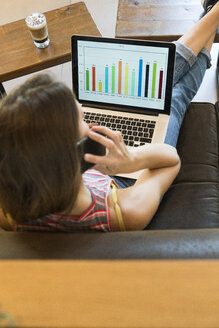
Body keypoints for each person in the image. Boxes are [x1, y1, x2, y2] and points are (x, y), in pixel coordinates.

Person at [0, 0, 218, 232]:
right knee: (175, 97)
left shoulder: (9, 211)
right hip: (123, 181)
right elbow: (170, 160)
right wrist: (131, 159)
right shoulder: (126, 211)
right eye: (82, 121)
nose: (91, 124)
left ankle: (213, 15)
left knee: (165, 78)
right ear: (74, 156)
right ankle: (214, 14)